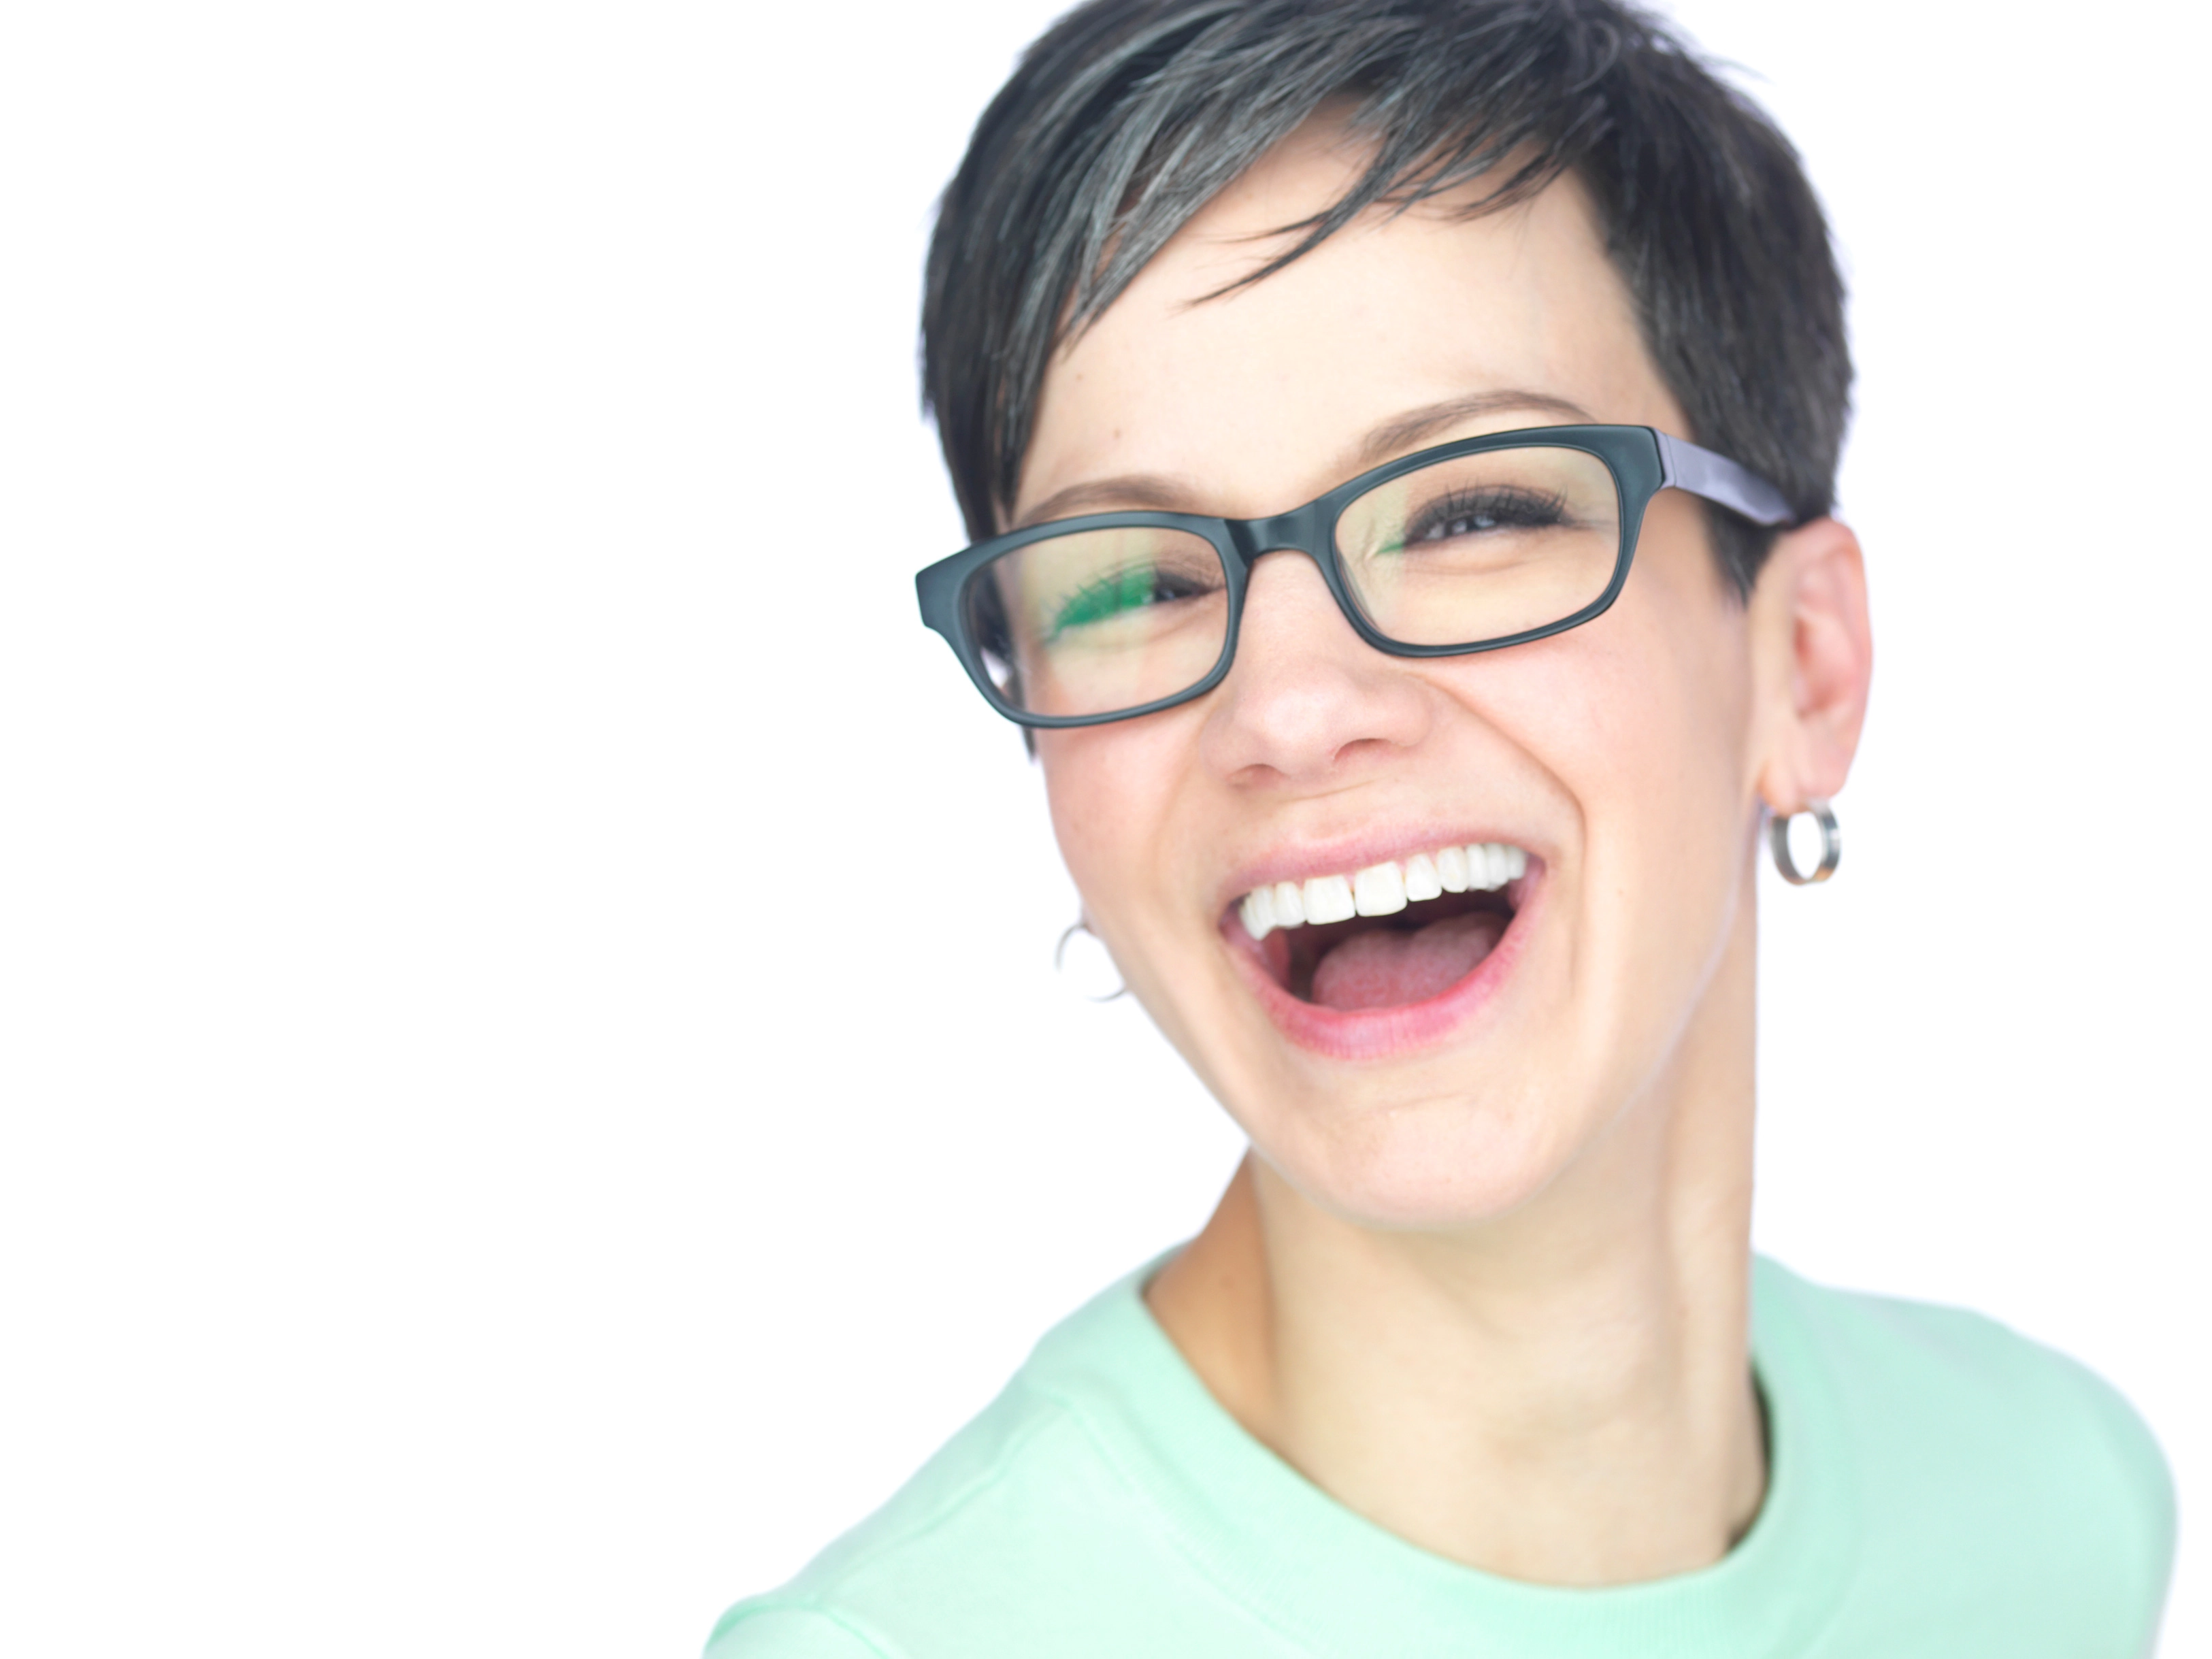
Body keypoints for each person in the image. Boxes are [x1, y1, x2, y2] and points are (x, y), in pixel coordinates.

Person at [708, 1, 2175, 1652]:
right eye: (1131, 583)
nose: (1286, 709)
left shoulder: (2050, 1509)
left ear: (1803, 667)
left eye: (1475, 511)